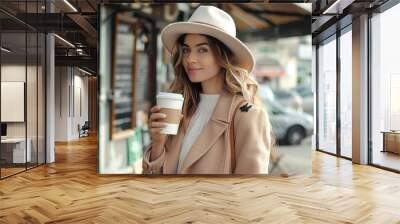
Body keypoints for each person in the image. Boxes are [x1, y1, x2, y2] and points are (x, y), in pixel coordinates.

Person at [142, 5, 273, 174]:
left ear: (223, 56)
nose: (190, 59)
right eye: (186, 50)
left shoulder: (248, 116)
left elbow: (251, 191)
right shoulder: (181, 109)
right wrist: (158, 142)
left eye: (202, 50)